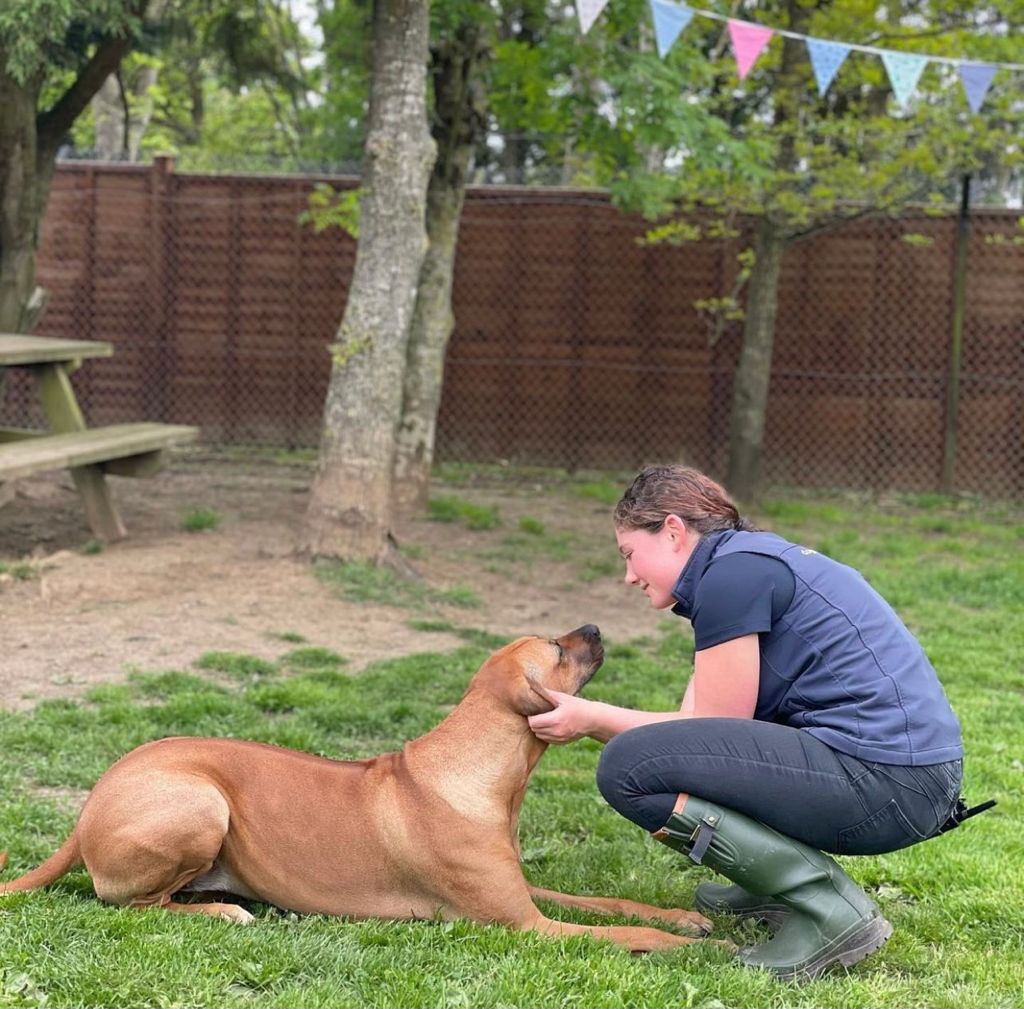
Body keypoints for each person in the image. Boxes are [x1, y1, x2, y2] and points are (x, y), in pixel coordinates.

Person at [527, 464, 965, 981]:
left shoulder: (731, 578)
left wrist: (591, 717)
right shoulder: (742, 565)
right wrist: (594, 718)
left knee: (628, 766)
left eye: (628, 553)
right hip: (907, 777)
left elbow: (708, 726)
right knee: (667, 756)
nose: (628, 574)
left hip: (890, 782)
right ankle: (769, 884)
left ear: (672, 531)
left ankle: (831, 913)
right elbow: (701, 731)